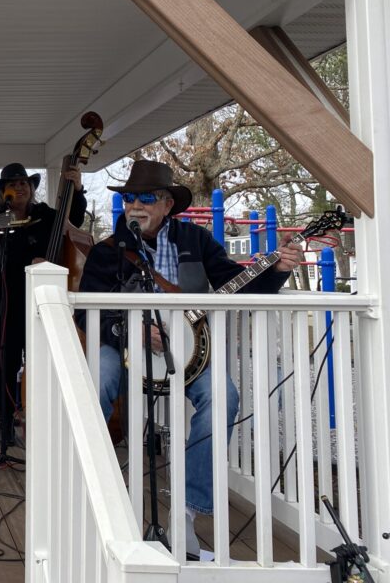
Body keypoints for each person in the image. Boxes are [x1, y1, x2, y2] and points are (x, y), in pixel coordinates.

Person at [79, 160, 303, 559]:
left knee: (224, 396)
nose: (135, 205)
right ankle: (88, 491)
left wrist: (277, 269)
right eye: (129, 197)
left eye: (146, 197)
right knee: (97, 380)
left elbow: (236, 285)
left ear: (167, 204)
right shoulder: (107, 252)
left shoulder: (195, 241)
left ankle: (186, 512)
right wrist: (129, 329)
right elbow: (85, 314)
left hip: (187, 356)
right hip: (122, 348)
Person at [0, 162, 86, 445]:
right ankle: (5, 420)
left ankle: (43, 419)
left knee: (42, 361)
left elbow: (73, 217)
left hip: (42, 300)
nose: (20, 187)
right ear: (3, 192)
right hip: (2, 302)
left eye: (24, 183)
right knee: (5, 361)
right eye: (13, 184)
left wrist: (77, 189)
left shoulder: (46, 215)